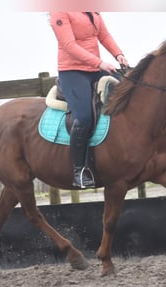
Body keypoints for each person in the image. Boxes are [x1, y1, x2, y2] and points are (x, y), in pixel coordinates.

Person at [50, 12, 129, 189]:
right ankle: (79, 170)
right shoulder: (59, 11)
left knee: (129, 92)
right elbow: (69, 45)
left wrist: (118, 54)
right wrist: (100, 63)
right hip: (72, 71)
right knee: (84, 117)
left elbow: (104, 35)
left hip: (94, 68)